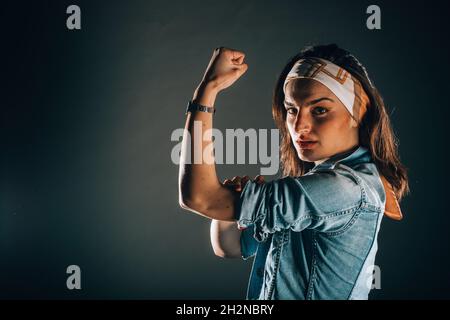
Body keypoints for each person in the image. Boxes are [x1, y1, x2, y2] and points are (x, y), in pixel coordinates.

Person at [178, 44, 409, 300]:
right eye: (292, 110)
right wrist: (228, 207)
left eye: (319, 110)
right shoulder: (319, 183)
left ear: (358, 112)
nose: (299, 126)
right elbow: (229, 247)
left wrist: (206, 91)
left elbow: (198, 197)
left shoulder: (341, 189)